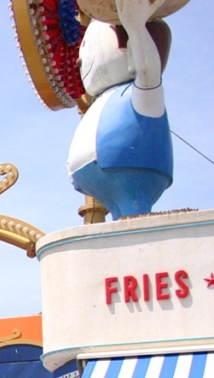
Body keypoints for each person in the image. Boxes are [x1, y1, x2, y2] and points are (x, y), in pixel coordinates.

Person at [66, 0, 173, 220]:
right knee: (120, 226)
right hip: (101, 173)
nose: (78, 60)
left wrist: (135, 26)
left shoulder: (141, 90)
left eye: (87, 48)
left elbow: (147, 69)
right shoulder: (104, 98)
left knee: (133, 220)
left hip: (132, 171)